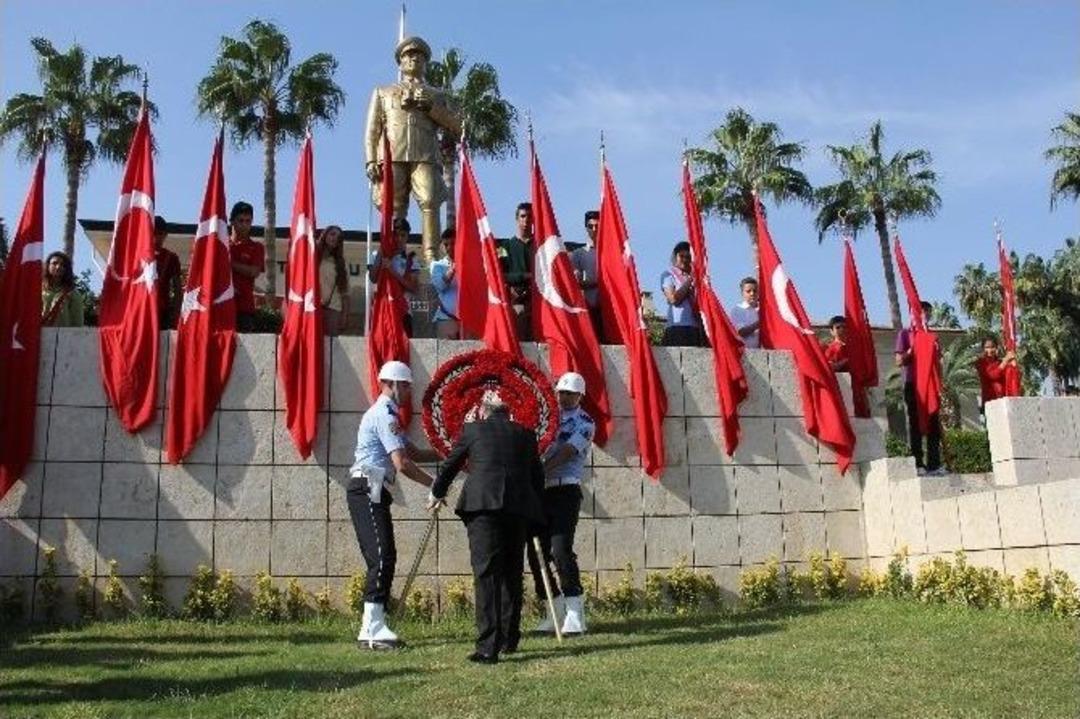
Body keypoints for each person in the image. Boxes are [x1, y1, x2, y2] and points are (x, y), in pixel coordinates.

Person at [428, 390, 546, 664]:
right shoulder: (526, 435)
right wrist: (537, 517)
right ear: (508, 412)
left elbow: (451, 464)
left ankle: (487, 647)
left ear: (483, 410)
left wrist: (437, 492)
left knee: (486, 574)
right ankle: (508, 638)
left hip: (483, 507)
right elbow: (536, 478)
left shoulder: (473, 430)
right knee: (512, 573)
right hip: (517, 509)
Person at [348, 361, 438, 649]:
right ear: (392, 384)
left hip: (373, 488)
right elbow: (403, 464)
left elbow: (414, 452)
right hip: (367, 487)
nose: (409, 391)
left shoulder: (389, 416)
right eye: (406, 386)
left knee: (385, 554)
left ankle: (374, 626)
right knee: (382, 556)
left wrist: (452, 455)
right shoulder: (383, 415)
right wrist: (434, 484)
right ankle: (372, 628)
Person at [365, 35, 462, 264]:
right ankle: (394, 252)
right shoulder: (383, 92)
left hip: (425, 154)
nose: (413, 59)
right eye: (408, 55)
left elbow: (457, 127)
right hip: (392, 156)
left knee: (429, 200)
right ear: (400, 62)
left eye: (418, 55)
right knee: (395, 207)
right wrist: (370, 160)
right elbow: (372, 130)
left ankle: (431, 256)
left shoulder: (436, 94)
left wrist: (430, 108)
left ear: (425, 62)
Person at [526, 372, 594, 636]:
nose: (564, 397)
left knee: (560, 549)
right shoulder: (546, 419)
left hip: (565, 489)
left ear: (580, 396)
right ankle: (553, 610)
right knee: (536, 553)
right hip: (540, 492)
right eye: (561, 392)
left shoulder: (585, 422)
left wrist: (539, 470)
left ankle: (575, 611)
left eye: (570, 393)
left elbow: (566, 452)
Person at [895, 301, 944, 476]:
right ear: (913, 314)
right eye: (922, 312)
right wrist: (912, 349)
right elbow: (899, 361)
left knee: (933, 424)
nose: (925, 315)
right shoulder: (905, 334)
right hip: (913, 384)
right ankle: (918, 463)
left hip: (930, 385)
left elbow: (939, 362)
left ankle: (934, 463)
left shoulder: (932, 336)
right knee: (915, 423)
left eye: (928, 312)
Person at [368, 217, 420, 337]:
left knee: (404, 352)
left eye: (403, 235)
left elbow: (414, 287)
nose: (399, 239)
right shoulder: (377, 254)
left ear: (407, 237)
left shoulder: (411, 258)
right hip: (382, 309)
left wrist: (393, 272)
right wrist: (382, 252)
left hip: (403, 311)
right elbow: (373, 278)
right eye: (396, 235)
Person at [497, 202, 533, 341]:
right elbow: (500, 275)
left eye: (529, 216)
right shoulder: (505, 246)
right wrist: (524, 276)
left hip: (539, 303)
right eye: (523, 216)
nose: (526, 220)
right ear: (517, 219)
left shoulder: (540, 246)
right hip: (517, 302)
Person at [228, 201, 264, 333]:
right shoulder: (222, 245)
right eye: (240, 220)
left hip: (244, 309)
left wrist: (228, 263)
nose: (244, 225)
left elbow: (254, 271)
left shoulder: (256, 247)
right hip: (221, 305)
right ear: (231, 221)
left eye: (248, 221)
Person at [659, 241, 702, 347]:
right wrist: (690, 280)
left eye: (688, 257)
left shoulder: (697, 278)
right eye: (681, 256)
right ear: (675, 256)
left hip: (696, 327)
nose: (685, 260)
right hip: (677, 327)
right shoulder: (669, 275)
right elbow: (673, 299)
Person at [570, 210, 602, 338]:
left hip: (607, 310)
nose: (594, 229)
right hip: (587, 308)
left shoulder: (609, 254)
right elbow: (575, 281)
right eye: (590, 226)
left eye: (597, 226)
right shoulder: (578, 254)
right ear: (586, 227)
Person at [317, 225, 350, 336]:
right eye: (332, 234)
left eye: (338, 237)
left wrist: (344, 317)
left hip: (333, 308)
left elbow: (345, 293)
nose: (335, 238)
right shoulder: (313, 257)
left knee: (331, 347)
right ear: (325, 235)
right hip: (312, 307)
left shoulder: (341, 263)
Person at [430, 228, 459, 339]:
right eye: (446, 244)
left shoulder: (469, 264)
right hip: (446, 318)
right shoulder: (437, 265)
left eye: (453, 243)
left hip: (469, 319)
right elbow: (440, 286)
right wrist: (452, 270)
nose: (449, 248)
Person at [41, 251, 84, 327]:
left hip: (62, 337)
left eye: (63, 265)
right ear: (47, 266)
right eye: (54, 263)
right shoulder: (37, 291)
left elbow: (78, 324)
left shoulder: (73, 293)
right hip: (38, 336)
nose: (58, 267)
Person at [974, 336, 1017, 410]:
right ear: (983, 349)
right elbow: (993, 375)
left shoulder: (999, 362)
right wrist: (1005, 361)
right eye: (987, 347)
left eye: (992, 347)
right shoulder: (981, 363)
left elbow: (1011, 378)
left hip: (1003, 401)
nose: (990, 350)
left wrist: (1013, 365)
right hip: (990, 402)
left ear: (997, 347)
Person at [154, 216, 182, 329]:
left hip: (162, 311)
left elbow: (177, 289)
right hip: (141, 309)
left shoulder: (171, 258)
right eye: (153, 232)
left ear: (165, 235)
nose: (156, 236)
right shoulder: (139, 255)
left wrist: (176, 316)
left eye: (160, 233)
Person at [729, 277, 760, 348]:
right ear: (742, 293)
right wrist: (759, 323)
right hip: (745, 353)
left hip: (763, 353)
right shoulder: (738, 310)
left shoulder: (762, 311)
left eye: (755, 291)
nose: (752, 294)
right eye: (748, 291)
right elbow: (741, 332)